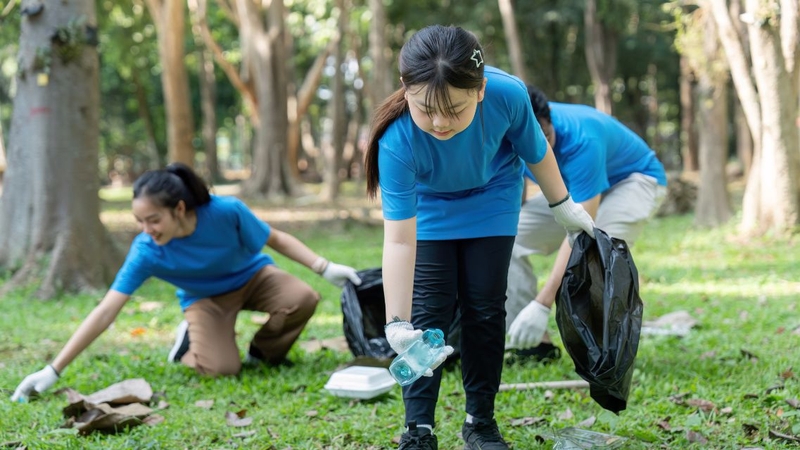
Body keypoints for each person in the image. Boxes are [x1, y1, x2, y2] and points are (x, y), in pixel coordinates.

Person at [364, 25, 595, 450]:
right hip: (431, 208)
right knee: (427, 313)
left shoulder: (508, 95)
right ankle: (418, 429)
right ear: (405, 88)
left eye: (453, 109)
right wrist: (397, 323)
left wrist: (563, 206)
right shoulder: (396, 140)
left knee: (485, 310)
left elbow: (536, 153)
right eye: (426, 109)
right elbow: (399, 241)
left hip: (492, 197)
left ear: (480, 90)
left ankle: (480, 422)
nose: (439, 122)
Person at [11, 163, 361, 402]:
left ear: (179, 209)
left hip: (253, 277)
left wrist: (324, 266)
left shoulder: (226, 212)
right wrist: (53, 370)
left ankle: (263, 354)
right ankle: (188, 345)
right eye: (139, 221)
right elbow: (106, 312)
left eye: (153, 220)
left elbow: (277, 239)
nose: (146, 230)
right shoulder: (146, 251)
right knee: (222, 370)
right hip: (204, 298)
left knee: (302, 298)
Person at [505, 85, 667, 359]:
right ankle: (533, 346)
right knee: (506, 238)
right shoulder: (511, 130)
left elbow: (579, 231)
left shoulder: (582, 138)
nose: (538, 147)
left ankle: (606, 353)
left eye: (544, 137)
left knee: (596, 250)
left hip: (633, 180)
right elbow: (516, 185)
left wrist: (543, 304)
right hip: (573, 189)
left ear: (550, 120)